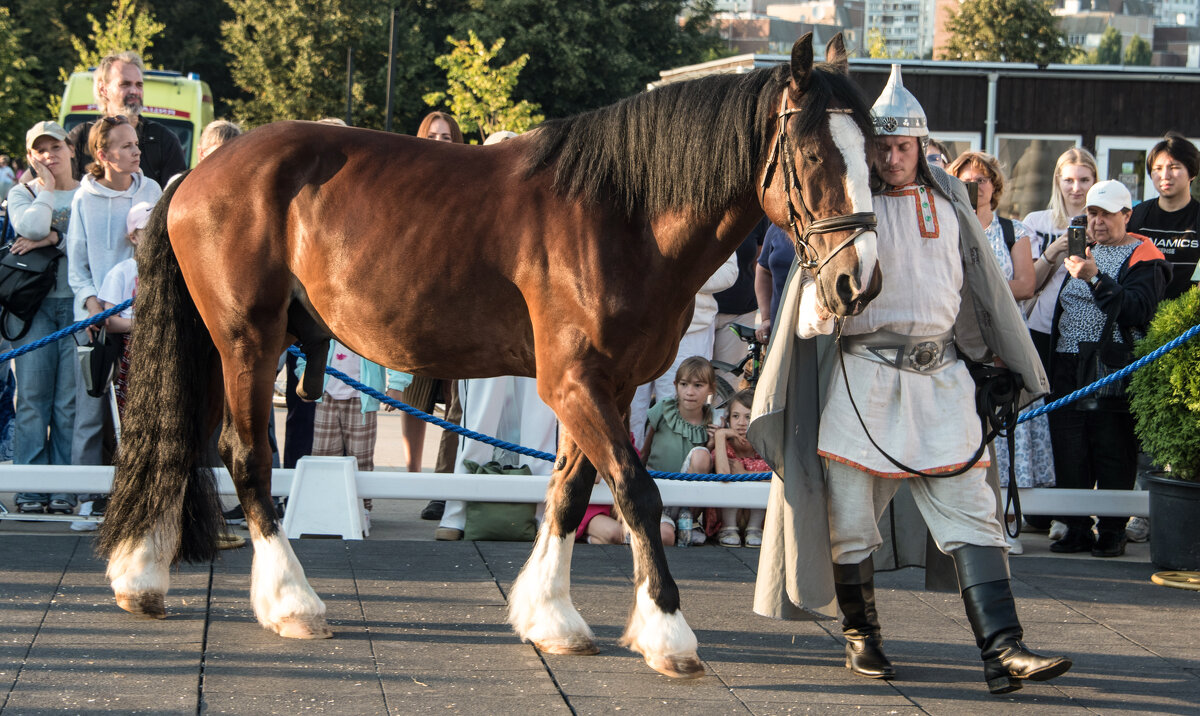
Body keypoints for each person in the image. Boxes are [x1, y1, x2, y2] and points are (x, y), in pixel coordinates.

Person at [750, 65, 1069, 695]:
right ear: (869, 149)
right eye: (883, 147)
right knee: (849, 524)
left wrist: (992, 362)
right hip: (863, 379)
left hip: (943, 380)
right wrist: (822, 305)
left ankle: (1003, 651)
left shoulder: (952, 203)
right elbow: (810, 308)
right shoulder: (851, 208)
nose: (893, 157)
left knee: (976, 518)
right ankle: (861, 637)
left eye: (904, 146)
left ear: (923, 147)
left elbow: (972, 292)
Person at [1048, 180, 1171, 558]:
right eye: (1092, 214)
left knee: (1113, 447)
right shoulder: (1079, 248)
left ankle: (1113, 529)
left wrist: (1096, 278)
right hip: (1068, 361)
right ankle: (1077, 526)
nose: (1097, 222)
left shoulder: (1145, 255)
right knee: (1069, 448)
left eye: (1106, 214)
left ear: (1127, 215)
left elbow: (1138, 309)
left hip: (1113, 365)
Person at [948, 151, 1051, 553]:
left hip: (1004, 337)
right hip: (954, 340)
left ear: (996, 184)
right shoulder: (946, 225)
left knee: (1004, 430)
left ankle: (1008, 522)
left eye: (983, 179)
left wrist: (983, 292)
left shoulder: (1014, 229)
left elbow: (1026, 284)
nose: (977, 186)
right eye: (967, 179)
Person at [66, 115, 162, 520]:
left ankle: (144, 495)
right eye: (125, 146)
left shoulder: (153, 190)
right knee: (91, 412)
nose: (136, 150)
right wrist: (94, 308)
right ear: (103, 155)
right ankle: (86, 498)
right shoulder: (84, 198)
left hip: (145, 319)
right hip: (97, 321)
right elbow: (77, 266)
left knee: (146, 411)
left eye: (136, 143)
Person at [1022, 147, 1098, 541]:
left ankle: (1075, 514)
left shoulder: (1102, 222)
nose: (1076, 187)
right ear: (1057, 181)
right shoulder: (1037, 222)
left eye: (1084, 179)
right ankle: (1043, 510)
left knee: (1076, 424)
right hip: (1041, 330)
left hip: (1082, 335)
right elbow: (1027, 283)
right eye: (1069, 179)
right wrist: (1054, 251)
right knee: (1043, 420)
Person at [6, 121, 79, 514]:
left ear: (71, 149)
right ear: (32, 156)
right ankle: (31, 487)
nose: (49, 156)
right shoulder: (23, 191)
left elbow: (88, 244)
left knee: (68, 402)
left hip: (75, 309)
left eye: (56, 147)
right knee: (33, 398)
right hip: (32, 308)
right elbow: (29, 225)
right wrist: (48, 191)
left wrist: (54, 238)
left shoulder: (87, 192)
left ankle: (63, 486)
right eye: (41, 150)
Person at [405, 111, 465, 522]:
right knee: (415, 400)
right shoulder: (411, 179)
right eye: (433, 134)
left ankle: (443, 488)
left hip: (461, 306)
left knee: (458, 406)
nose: (440, 141)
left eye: (446, 135)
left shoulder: (468, 182)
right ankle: (411, 477)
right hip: (420, 302)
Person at [299, 341, 411, 533]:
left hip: (362, 399)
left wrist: (397, 385)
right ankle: (325, 507)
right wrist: (305, 378)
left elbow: (394, 348)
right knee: (323, 457)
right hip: (326, 396)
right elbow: (306, 349)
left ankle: (363, 509)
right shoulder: (325, 322)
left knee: (361, 458)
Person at [629, 250, 737, 450]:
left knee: (680, 410)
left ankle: (673, 475)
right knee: (631, 412)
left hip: (688, 331)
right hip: (635, 327)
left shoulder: (711, 221)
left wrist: (678, 274)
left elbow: (729, 273)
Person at [66, 52, 187, 186]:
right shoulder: (81, 137)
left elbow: (177, 199)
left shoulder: (164, 141)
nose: (134, 91)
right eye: (125, 84)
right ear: (103, 89)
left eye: (139, 85)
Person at [642, 356, 718, 546]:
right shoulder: (663, 409)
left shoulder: (713, 420)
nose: (690, 392)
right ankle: (669, 526)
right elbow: (645, 451)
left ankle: (689, 520)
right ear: (676, 385)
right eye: (684, 384)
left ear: (711, 389)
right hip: (658, 493)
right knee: (665, 537)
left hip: (688, 500)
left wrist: (712, 444)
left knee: (702, 455)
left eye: (698, 385)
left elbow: (710, 465)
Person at [1127, 132, 1200, 300]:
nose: (1165, 176)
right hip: (1140, 315)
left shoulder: (1197, 216)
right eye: (1157, 169)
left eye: (1174, 167)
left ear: (1192, 172)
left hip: (1188, 320)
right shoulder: (1137, 215)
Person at [706, 389, 767, 548]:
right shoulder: (726, 447)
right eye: (735, 416)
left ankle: (754, 529)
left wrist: (745, 473)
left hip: (754, 515)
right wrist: (720, 436)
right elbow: (723, 474)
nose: (741, 423)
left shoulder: (763, 447)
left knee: (762, 479)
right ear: (727, 420)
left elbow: (775, 476)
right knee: (731, 479)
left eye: (748, 417)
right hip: (728, 514)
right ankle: (728, 527)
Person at [713, 217, 768, 389]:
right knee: (690, 381)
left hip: (740, 311)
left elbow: (759, 263)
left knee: (727, 386)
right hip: (699, 311)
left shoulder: (756, 216)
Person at [754, 223, 796, 346]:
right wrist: (766, 318)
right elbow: (763, 270)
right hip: (780, 326)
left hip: (821, 328)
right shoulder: (778, 227)